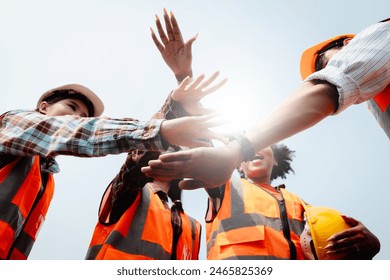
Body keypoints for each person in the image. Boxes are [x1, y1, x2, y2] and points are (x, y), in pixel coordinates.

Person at [141, 18, 390, 190]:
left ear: (348, 45)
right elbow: (205, 137)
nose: (326, 72)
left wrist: (235, 151)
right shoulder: (231, 190)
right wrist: (183, 77)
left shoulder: (382, 35)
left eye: (323, 64)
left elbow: (333, 83)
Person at [0, 71, 226, 259]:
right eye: (71, 107)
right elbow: (85, 135)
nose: (78, 117)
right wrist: (166, 123)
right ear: (43, 107)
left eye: (84, 116)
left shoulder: (43, 179)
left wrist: (175, 106)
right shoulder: (13, 123)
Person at [85, 9, 225, 260]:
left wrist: (190, 105)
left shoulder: (192, 227)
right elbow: (146, 144)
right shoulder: (125, 195)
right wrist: (182, 83)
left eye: (178, 150)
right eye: (166, 146)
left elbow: (214, 166)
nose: (171, 151)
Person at [200, 143, 381, 260]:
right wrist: (182, 106)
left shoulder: (305, 207)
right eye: (246, 150)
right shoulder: (227, 185)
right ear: (238, 164)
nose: (254, 150)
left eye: (261, 144)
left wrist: (367, 248)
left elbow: (333, 257)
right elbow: (202, 151)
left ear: (276, 160)